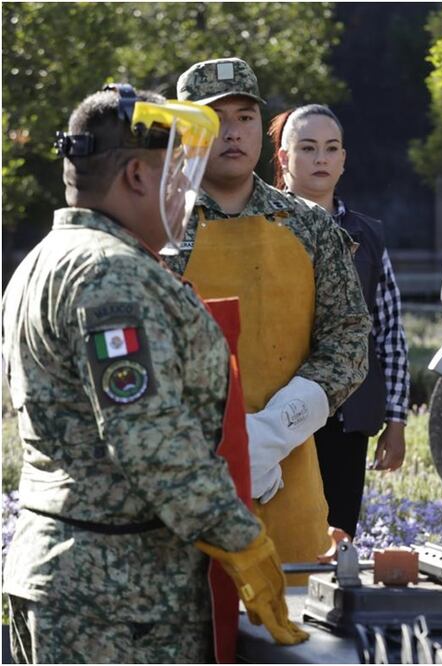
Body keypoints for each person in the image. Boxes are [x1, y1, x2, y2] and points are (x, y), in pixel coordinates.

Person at [2, 85, 305, 663]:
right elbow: (150, 438)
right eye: (176, 177)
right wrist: (242, 540)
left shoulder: (47, 258)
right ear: (137, 177)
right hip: (117, 602)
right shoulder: (112, 274)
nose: (184, 195)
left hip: (74, 579)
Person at [167, 57, 372, 580]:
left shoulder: (310, 227)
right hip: (181, 487)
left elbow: (348, 340)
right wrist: (215, 449)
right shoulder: (160, 227)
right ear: (187, 131)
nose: (233, 133)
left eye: (245, 117)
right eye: (216, 119)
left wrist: (272, 431)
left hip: (288, 478)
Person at [268, 104, 410, 540]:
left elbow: (387, 331)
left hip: (348, 417)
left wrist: (397, 420)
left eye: (331, 149)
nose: (320, 159)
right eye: (307, 148)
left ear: (344, 159)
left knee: (336, 541)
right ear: (283, 158)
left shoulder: (366, 235)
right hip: (276, 414)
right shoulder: (261, 228)